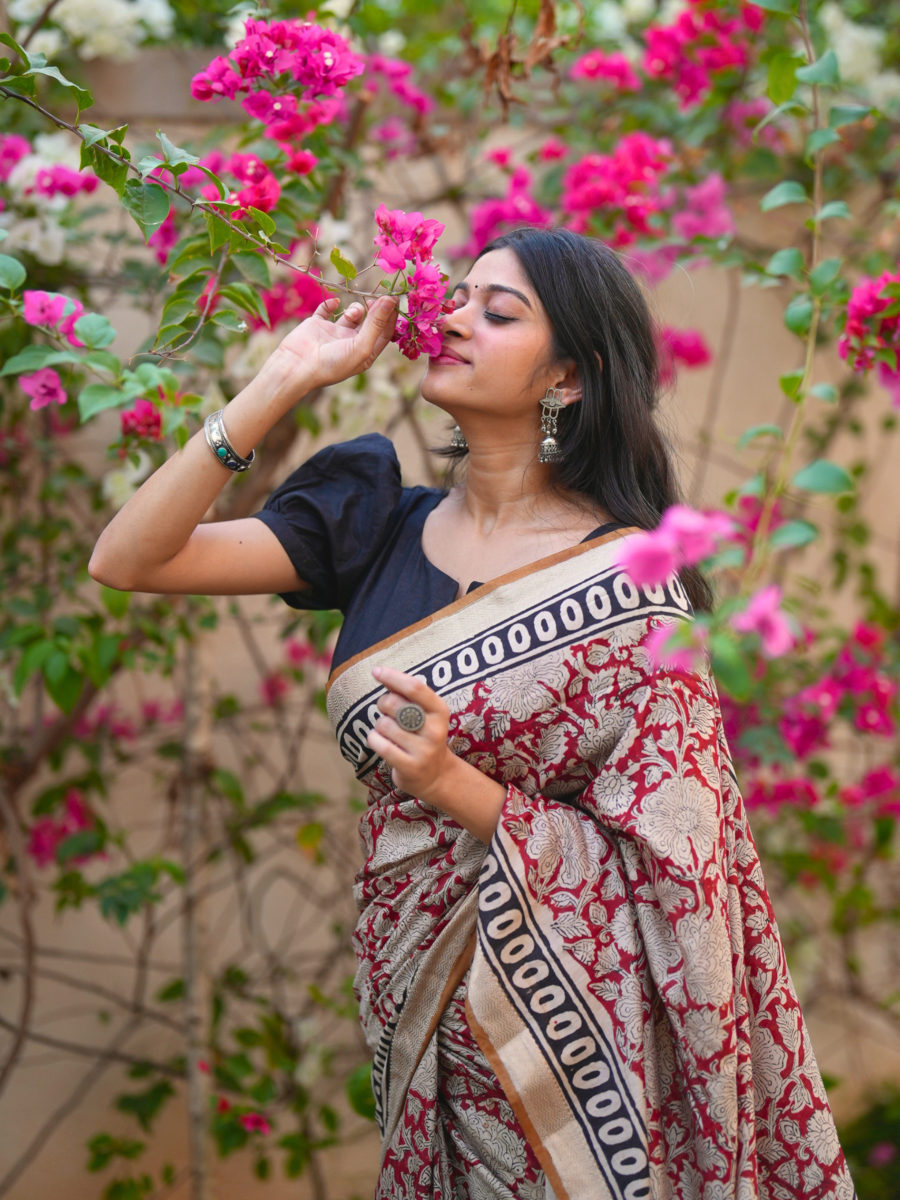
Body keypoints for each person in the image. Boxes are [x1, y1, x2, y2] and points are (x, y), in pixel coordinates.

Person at [90, 227, 855, 1200]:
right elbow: (129, 560)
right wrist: (281, 379)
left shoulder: (632, 584)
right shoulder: (373, 523)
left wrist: (456, 787)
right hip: (416, 999)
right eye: (455, 297)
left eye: (498, 313)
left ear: (568, 379)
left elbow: (683, 857)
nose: (452, 316)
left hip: (577, 1040)